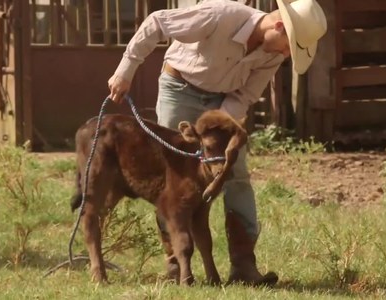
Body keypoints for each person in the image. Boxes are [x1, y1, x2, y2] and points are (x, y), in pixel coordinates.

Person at [107, 0, 327, 286]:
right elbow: (157, 22)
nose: (287, 55)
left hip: (224, 102)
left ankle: (244, 265)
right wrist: (126, 70)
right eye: (290, 46)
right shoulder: (219, 15)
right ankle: (175, 264)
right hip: (179, 89)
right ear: (279, 26)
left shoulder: (272, 55)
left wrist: (216, 130)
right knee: (174, 174)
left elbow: (244, 97)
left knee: (235, 173)